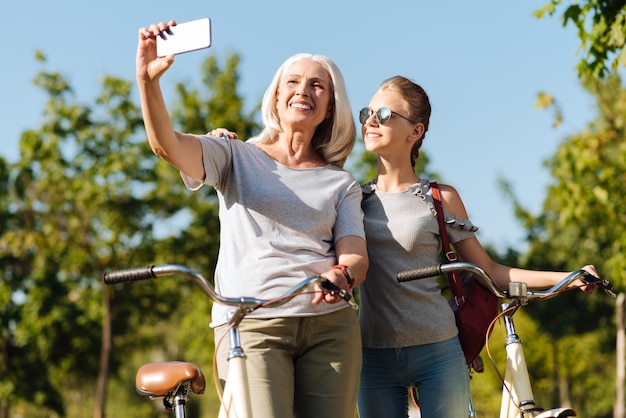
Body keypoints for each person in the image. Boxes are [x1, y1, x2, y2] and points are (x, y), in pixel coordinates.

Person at [136, 20, 368, 418]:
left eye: (318, 85)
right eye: (293, 82)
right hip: (253, 322)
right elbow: (166, 146)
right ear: (276, 97)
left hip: (329, 327)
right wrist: (148, 81)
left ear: (330, 106)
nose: (304, 91)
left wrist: (342, 275)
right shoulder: (234, 155)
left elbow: (355, 256)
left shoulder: (340, 182)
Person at [356, 75, 599, 418]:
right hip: (372, 354)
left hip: (436, 351)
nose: (370, 121)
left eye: (383, 114)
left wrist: (569, 276)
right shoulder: (353, 200)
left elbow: (490, 271)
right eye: (367, 113)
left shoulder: (439, 199)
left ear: (416, 131)